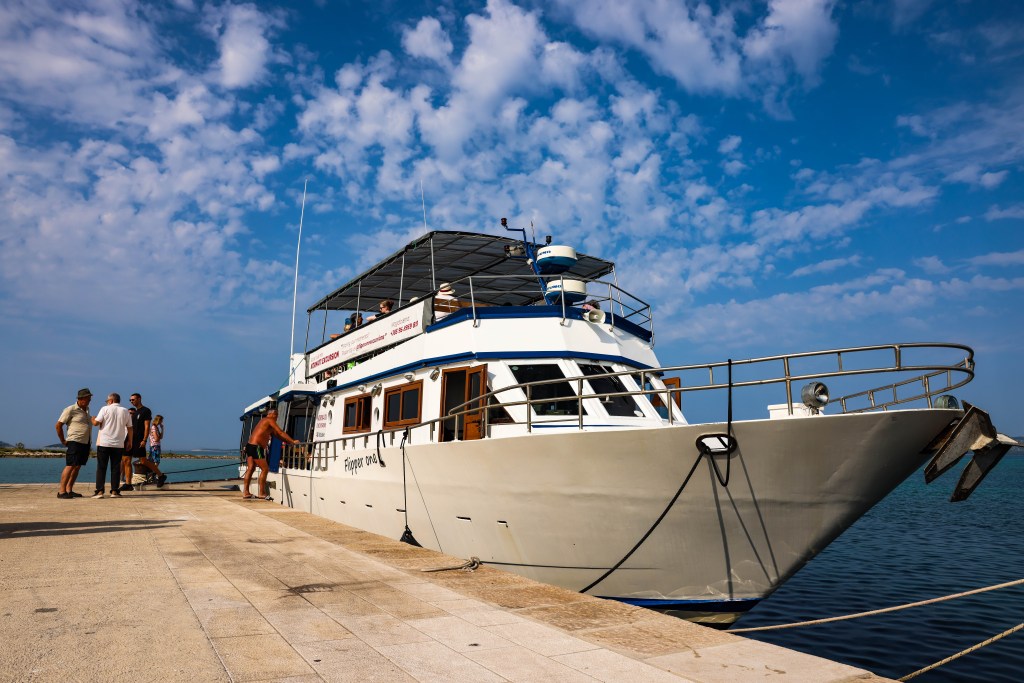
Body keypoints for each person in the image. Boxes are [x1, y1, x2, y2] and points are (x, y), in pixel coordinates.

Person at [243, 408, 298, 500]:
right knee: (265, 469)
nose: (277, 418)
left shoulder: (265, 423)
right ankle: (261, 493)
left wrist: (289, 442)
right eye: (276, 416)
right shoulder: (268, 420)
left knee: (251, 468)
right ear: (272, 414)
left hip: (250, 446)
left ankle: (246, 492)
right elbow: (280, 431)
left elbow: (278, 435)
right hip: (256, 447)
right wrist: (293, 441)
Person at [91, 393, 132, 498]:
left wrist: (93, 418)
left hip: (104, 442)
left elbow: (96, 423)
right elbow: (130, 428)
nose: (107, 402)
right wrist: (130, 441)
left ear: (111, 400)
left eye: (107, 400)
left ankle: (100, 491)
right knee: (116, 468)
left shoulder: (105, 409)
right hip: (118, 443)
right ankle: (114, 491)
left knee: (101, 467)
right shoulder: (125, 411)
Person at [55, 388, 93, 499]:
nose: (90, 400)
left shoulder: (87, 409)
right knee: (70, 465)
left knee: (77, 467)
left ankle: (69, 489)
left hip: (85, 442)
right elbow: (58, 426)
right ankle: (61, 491)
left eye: (90, 398)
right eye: (88, 398)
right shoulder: (70, 409)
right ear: (81, 399)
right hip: (74, 441)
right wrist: (63, 440)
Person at [125, 393, 165, 489]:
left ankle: (160, 475)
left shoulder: (146, 411)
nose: (131, 401)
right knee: (126, 460)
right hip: (130, 439)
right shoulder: (135, 413)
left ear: (139, 399)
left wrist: (144, 440)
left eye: (133, 399)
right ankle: (128, 484)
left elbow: (147, 427)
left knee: (143, 461)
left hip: (139, 440)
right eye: (130, 400)